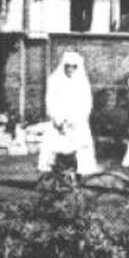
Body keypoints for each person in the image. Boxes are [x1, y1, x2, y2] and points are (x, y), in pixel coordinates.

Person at [39, 49, 96, 179]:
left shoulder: (82, 83)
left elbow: (87, 103)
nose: (70, 69)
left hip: (77, 122)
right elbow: (50, 101)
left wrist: (76, 120)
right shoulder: (54, 80)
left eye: (74, 66)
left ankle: (78, 175)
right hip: (58, 121)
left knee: (80, 147)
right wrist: (58, 120)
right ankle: (56, 174)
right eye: (68, 66)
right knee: (56, 147)